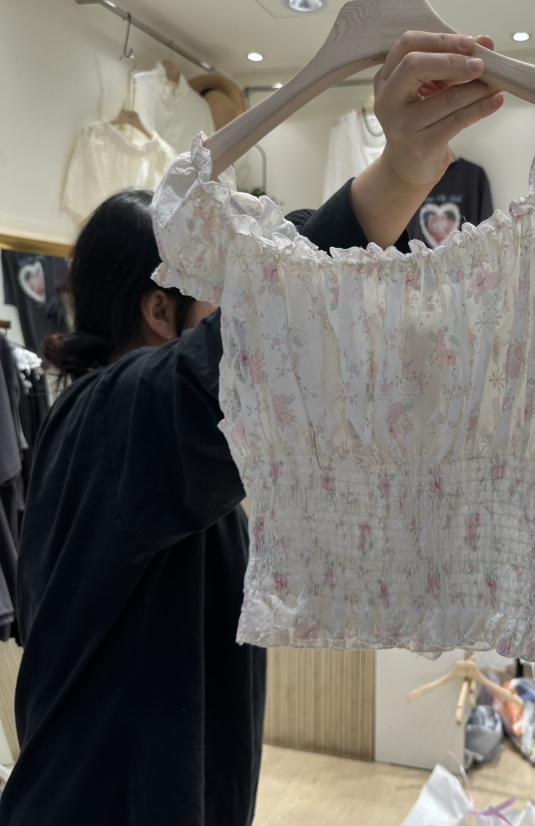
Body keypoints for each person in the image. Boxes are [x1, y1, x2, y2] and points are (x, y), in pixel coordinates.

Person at [0, 32, 503, 826]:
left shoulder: (120, 426)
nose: (238, 303)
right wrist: (397, 178)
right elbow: (263, 340)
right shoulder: (117, 418)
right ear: (160, 309)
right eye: (223, 288)